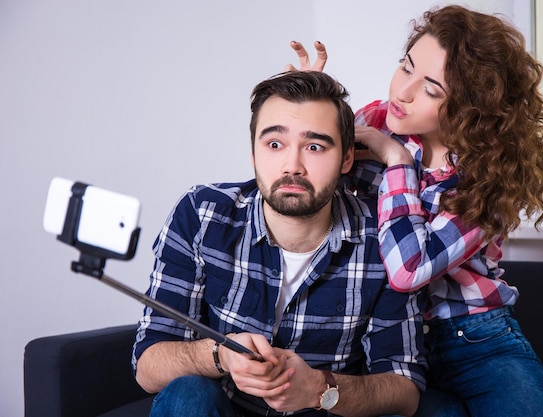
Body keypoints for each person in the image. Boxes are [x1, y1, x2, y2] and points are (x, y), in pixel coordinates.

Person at [287, 5, 543, 417]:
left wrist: (397, 162)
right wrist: (306, 104)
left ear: (471, 107)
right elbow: (302, 185)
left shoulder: (489, 179)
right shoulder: (375, 120)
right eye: (406, 67)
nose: (402, 92)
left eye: (432, 89)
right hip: (383, 343)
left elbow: (408, 269)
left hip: (476, 342)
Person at [132, 70, 427, 417]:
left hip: (323, 412)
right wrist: (220, 354)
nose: (293, 166)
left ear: (347, 158)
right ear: (254, 153)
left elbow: (405, 389)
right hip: (223, 408)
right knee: (188, 395)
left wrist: (319, 388)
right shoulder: (202, 214)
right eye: (275, 144)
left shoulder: (383, 238)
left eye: (315, 146)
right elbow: (147, 367)